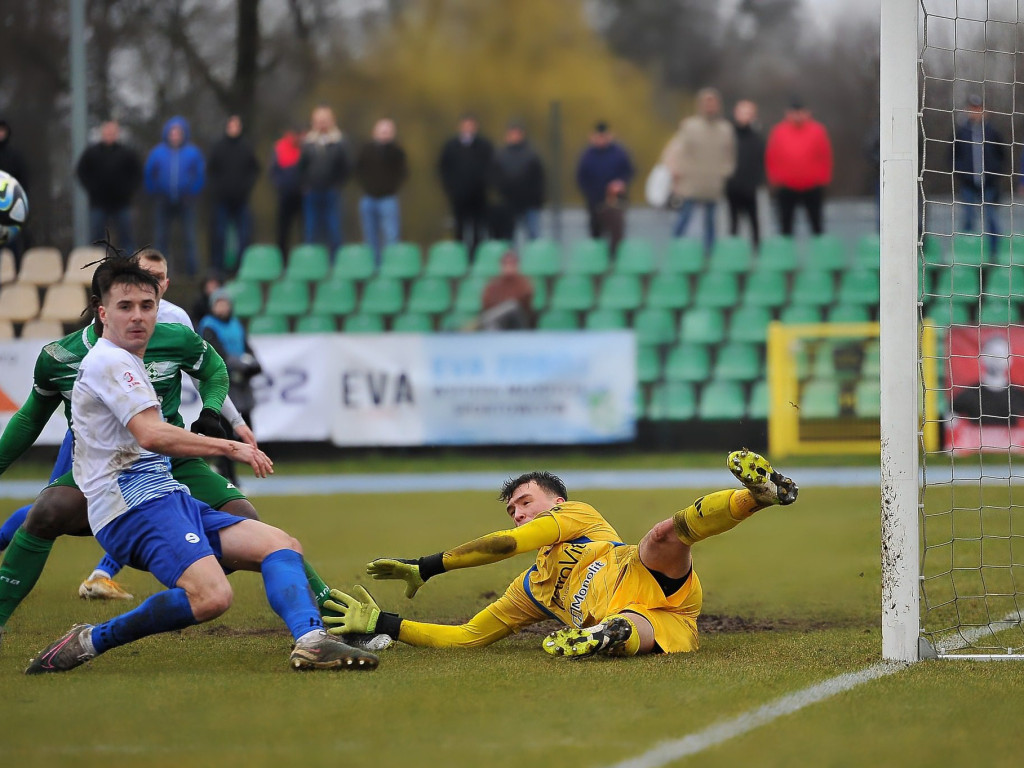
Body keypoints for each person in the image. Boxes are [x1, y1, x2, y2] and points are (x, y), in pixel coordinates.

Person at [23, 257, 376, 674]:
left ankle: (311, 639)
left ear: (159, 307)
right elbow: (152, 434)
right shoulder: (110, 363)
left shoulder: (129, 359)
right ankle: (91, 640)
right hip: (131, 507)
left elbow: (198, 387)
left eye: (146, 305)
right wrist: (230, 445)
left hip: (166, 495)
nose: (137, 316)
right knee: (212, 597)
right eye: (125, 306)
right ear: (102, 313)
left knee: (282, 545)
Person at [321, 450, 798, 658]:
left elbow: (506, 545)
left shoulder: (578, 517)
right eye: (512, 509)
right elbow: (466, 637)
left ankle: (756, 495)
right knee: (627, 629)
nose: (518, 514)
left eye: (525, 502)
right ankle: (603, 639)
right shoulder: (529, 591)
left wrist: (428, 565)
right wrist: (383, 623)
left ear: (556, 504)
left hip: (643, 573)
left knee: (659, 537)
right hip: (643, 617)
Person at [661, 88, 736, 253]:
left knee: (711, 223)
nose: (710, 106)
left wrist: (723, 173)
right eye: (707, 102)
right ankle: (674, 252)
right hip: (690, 185)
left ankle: (709, 256)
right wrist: (676, 171)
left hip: (712, 186)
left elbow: (729, 157)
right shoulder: (689, 126)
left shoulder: (725, 129)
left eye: (713, 102)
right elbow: (674, 151)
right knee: (684, 219)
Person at [198, 289, 261, 485]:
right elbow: (218, 355)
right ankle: (229, 475)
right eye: (219, 303)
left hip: (241, 386)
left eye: (225, 303)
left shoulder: (236, 324)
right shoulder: (208, 326)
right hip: (223, 384)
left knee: (246, 429)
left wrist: (248, 366)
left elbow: (250, 352)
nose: (222, 307)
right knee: (225, 431)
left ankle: (221, 466)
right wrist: (241, 364)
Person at [144, 116, 205, 276]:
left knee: (189, 237)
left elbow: (200, 175)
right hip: (163, 201)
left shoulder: (192, 152)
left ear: (184, 134)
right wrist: (155, 191)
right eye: (172, 132)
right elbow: (149, 173)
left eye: (178, 132)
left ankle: (192, 274)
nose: (175, 136)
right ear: (167, 134)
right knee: (161, 238)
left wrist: (192, 192)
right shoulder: (158, 152)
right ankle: (157, 273)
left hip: (186, 201)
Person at [765, 100, 833, 236]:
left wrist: (823, 178)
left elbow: (825, 155)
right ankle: (786, 255)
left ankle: (818, 255)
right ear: (788, 113)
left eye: (800, 112)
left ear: (807, 113)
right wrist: (774, 178)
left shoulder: (817, 130)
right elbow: (771, 155)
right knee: (785, 226)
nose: (797, 115)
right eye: (794, 112)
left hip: (812, 185)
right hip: (786, 186)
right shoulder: (779, 131)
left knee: (817, 225)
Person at [75, 120, 142, 253]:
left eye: (113, 132)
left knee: (126, 239)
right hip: (98, 203)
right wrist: (92, 189)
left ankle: (127, 269)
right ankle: (96, 269)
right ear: (102, 133)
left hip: (122, 204)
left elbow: (137, 174)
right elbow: (81, 172)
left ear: (117, 134)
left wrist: (128, 190)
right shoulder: (91, 153)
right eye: (107, 132)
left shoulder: (127, 153)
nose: (109, 135)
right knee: (96, 239)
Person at [207, 115, 260, 276]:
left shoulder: (246, 147)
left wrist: (246, 188)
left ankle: (241, 266)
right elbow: (211, 170)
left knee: (244, 235)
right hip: (222, 200)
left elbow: (255, 170)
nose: (233, 128)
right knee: (219, 234)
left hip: (241, 200)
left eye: (236, 125)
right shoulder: (218, 147)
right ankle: (218, 267)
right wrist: (218, 188)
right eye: (231, 125)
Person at [955, 95, 1006, 255]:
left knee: (991, 218)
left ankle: (994, 253)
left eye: (979, 109)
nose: (976, 112)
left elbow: (1002, 155)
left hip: (989, 184)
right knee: (968, 218)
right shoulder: (961, 132)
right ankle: (968, 252)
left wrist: (994, 174)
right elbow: (953, 155)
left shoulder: (992, 132)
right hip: (968, 184)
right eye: (973, 109)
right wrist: (962, 174)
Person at [354, 118, 408, 266]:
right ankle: (373, 268)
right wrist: (366, 186)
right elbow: (358, 170)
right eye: (382, 131)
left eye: (387, 132)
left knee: (391, 236)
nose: (384, 135)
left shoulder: (397, 152)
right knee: (370, 237)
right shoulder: (366, 150)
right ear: (374, 132)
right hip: (368, 198)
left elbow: (402, 173)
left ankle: (391, 266)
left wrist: (391, 187)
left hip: (388, 199)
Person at [439, 114, 494, 256]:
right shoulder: (451, 146)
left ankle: (475, 258)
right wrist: (451, 187)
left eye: (471, 125)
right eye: (466, 125)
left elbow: (491, 167)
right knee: (459, 228)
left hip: (478, 196)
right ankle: (460, 258)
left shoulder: (484, 146)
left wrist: (484, 184)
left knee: (478, 229)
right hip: (458, 196)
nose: (468, 128)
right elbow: (443, 169)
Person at [299, 105, 349, 256]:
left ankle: (335, 265)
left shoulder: (339, 142)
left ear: (332, 121)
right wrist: (305, 186)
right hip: (311, 193)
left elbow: (346, 167)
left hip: (331, 192)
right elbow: (301, 167)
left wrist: (337, 185)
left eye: (325, 120)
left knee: (334, 231)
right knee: (310, 230)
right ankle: (311, 266)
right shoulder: (307, 143)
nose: (322, 124)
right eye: (319, 120)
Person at [576, 122, 634, 243]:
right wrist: (590, 193)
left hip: (615, 201)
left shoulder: (619, 153)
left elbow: (628, 171)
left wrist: (620, 183)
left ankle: (614, 260)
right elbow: (581, 177)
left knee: (616, 233)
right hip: (595, 201)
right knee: (595, 234)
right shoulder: (587, 155)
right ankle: (597, 260)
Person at [491, 121, 545, 243]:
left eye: (517, 133)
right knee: (509, 238)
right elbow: (495, 178)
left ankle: (534, 261)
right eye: (512, 133)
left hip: (529, 203)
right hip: (508, 203)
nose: (515, 136)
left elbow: (539, 179)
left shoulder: (531, 155)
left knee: (533, 236)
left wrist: (537, 199)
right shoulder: (500, 155)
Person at [725, 100, 766, 249]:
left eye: (749, 113)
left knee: (754, 223)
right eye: (743, 112)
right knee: (732, 224)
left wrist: (758, 180)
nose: (746, 116)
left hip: (751, 187)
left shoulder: (758, 136)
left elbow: (762, 160)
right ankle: (733, 255)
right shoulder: (728, 134)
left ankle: (757, 253)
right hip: (732, 187)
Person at [269, 128, 305, 259]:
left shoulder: (306, 148)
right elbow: (273, 171)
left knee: (305, 232)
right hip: (285, 195)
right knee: (283, 231)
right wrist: (280, 186)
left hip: (303, 195)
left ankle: (304, 260)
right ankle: (282, 261)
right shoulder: (280, 147)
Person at [0, 120, 31, 264]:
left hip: (10, 208)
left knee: (13, 245)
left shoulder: (14, 155)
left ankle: (16, 274)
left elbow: (23, 181)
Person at [479, 250, 534, 330]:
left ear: (517, 265)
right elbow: (486, 302)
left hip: (518, 321)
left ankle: (482, 320)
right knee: (491, 322)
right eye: (506, 263)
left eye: (511, 264)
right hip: (500, 322)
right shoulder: (494, 283)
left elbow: (523, 301)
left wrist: (503, 304)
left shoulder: (524, 282)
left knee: (511, 305)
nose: (509, 266)